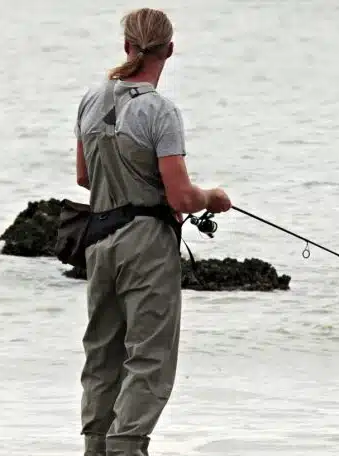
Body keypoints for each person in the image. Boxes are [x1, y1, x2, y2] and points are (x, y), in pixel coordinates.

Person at [72, 8, 232, 456]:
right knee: (149, 357)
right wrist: (213, 198)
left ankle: (96, 447)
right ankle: (127, 446)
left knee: (102, 353)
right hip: (146, 245)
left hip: (99, 242)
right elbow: (181, 198)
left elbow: (85, 177)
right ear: (169, 51)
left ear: (127, 46)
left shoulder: (90, 99)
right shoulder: (160, 111)